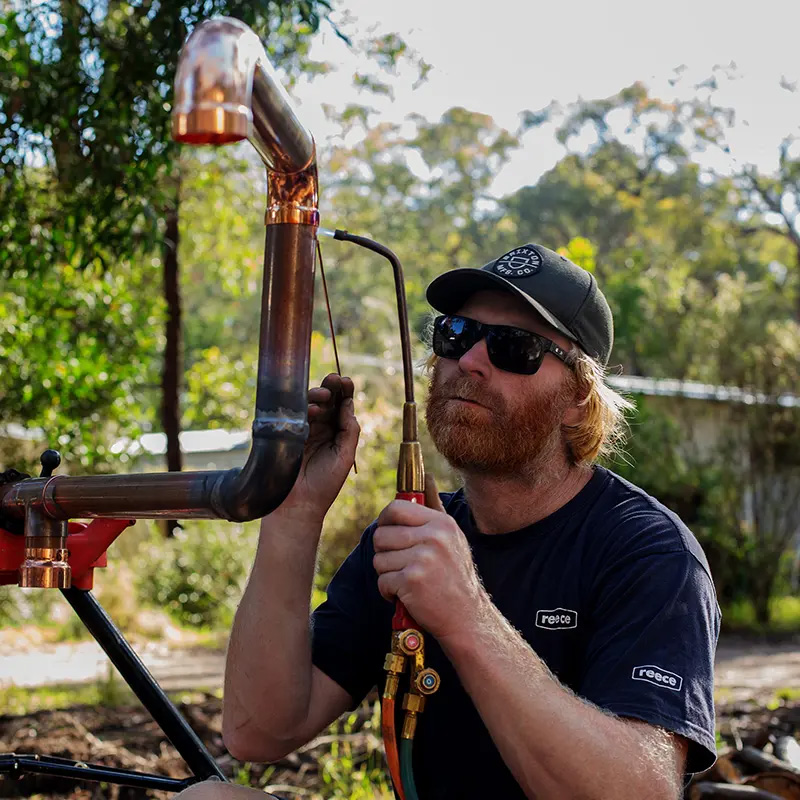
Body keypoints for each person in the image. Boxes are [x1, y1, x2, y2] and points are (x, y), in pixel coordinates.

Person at [178, 243, 720, 800]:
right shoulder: (414, 538)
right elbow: (257, 730)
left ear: (580, 398)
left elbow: (644, 791)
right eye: (456, 334)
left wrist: (466, 615)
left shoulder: (647, 552)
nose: (470, 360)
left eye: (514, 347)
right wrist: (294, 510)